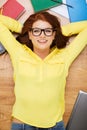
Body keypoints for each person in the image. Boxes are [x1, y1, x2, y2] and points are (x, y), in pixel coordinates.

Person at [0, 11, 87, 130]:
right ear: (30, 35)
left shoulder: (65, 56)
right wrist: (23, 29)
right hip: (22, 125)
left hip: (54, 126)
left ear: (54, 34)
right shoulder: (18, 53)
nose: (42, 35)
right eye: (36, 31)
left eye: (47, 31)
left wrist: (61, 31)